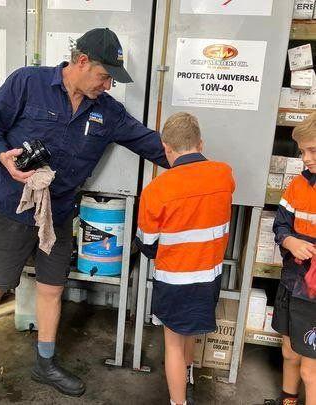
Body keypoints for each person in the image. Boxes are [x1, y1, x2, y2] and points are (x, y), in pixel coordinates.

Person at [0, 27, 169, 405]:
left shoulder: (107, 111)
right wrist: (1, 155)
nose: (107, 86)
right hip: (14, 205)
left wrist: (194, 164)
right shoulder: (28, 82)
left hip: (58, 212)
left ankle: (45, 362)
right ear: (81, 61)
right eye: (104, 76)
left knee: (53, 288)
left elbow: (149, 142)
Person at [135, 112, 235, 405]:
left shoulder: (157, 190)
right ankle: (189, 377)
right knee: (192, 329)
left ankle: (178, 402)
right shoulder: (224, 174)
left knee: (173, 344)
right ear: (200, 143)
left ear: (166, 147)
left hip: (174, 279)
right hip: (209, 276)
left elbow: (147, 243)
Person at [264, 112, 316, 405]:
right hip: (291, 280)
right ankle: (288, 400)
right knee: (289, 351)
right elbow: (280, 224)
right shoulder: (297, 186)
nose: (305, 157)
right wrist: (290, 240)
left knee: (311, 368)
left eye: (312, 150)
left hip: (314, 291)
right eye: (302, 151)